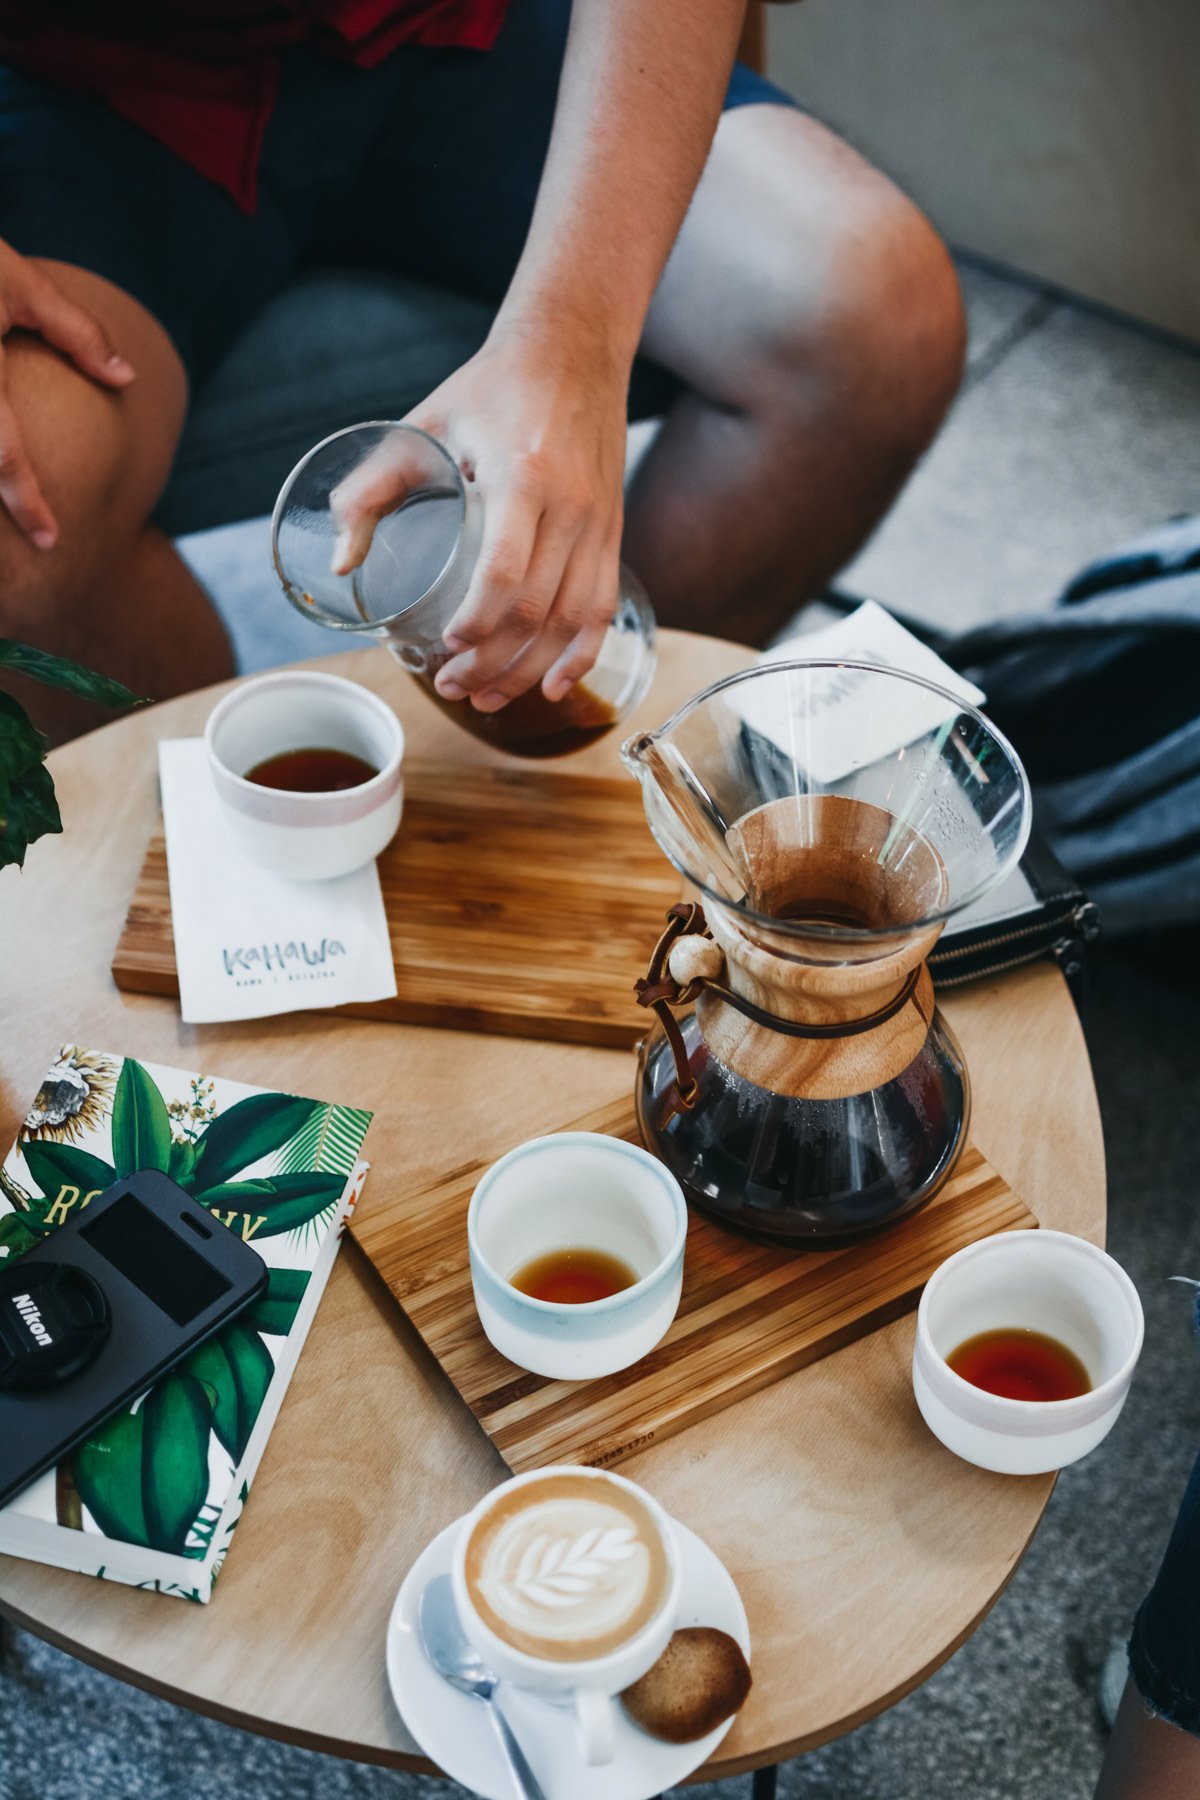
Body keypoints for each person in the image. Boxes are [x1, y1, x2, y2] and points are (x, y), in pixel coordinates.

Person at [0, 0, 966, 743]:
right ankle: (254, 802)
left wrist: (573, 340)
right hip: (74, 81)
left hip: (467, 29)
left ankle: (595, 749)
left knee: (877, 324)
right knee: (16, 532)